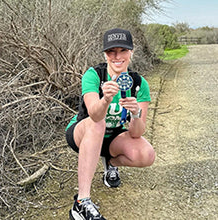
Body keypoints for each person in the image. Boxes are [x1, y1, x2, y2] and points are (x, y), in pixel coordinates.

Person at [66, 28, 155, 220]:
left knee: (147, 155)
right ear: (105, 54)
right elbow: (94, 115)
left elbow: (136, 133)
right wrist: (105, 99)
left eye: (123, 50)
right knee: (98, 124)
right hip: (83, 132)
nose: (117, 56)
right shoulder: (94, 76)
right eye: (111, 51)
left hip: (113, 136)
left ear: (131, 52)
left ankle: (111, 164)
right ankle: (81, 203)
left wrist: (135, 113)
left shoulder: (139, 83)